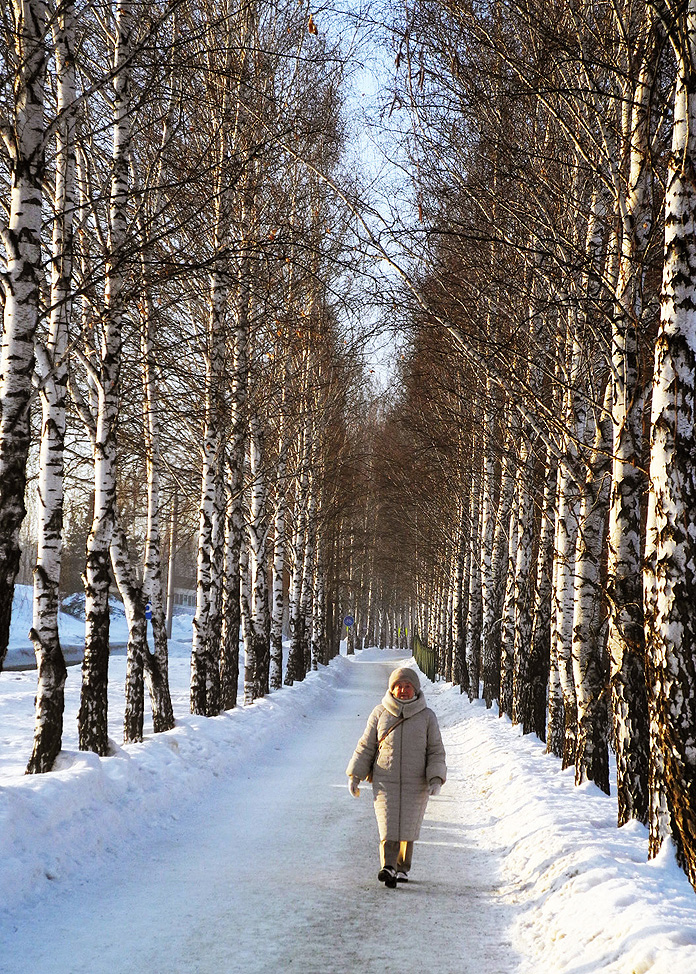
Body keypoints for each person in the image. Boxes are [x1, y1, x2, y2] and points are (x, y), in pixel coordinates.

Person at [346, 665, 447, 888]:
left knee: (408, 826)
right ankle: (388, 866)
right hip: (385, 780)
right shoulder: (379, 713)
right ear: (391, 689)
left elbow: (435, 750)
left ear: (416, 689)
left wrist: (436, 778)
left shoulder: (427, 716)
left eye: (407, 686)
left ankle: (402, 867)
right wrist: (355, 774)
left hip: (416, 781)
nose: (403, 690)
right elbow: (366, 746)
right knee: (388, 824)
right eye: (398, 686)